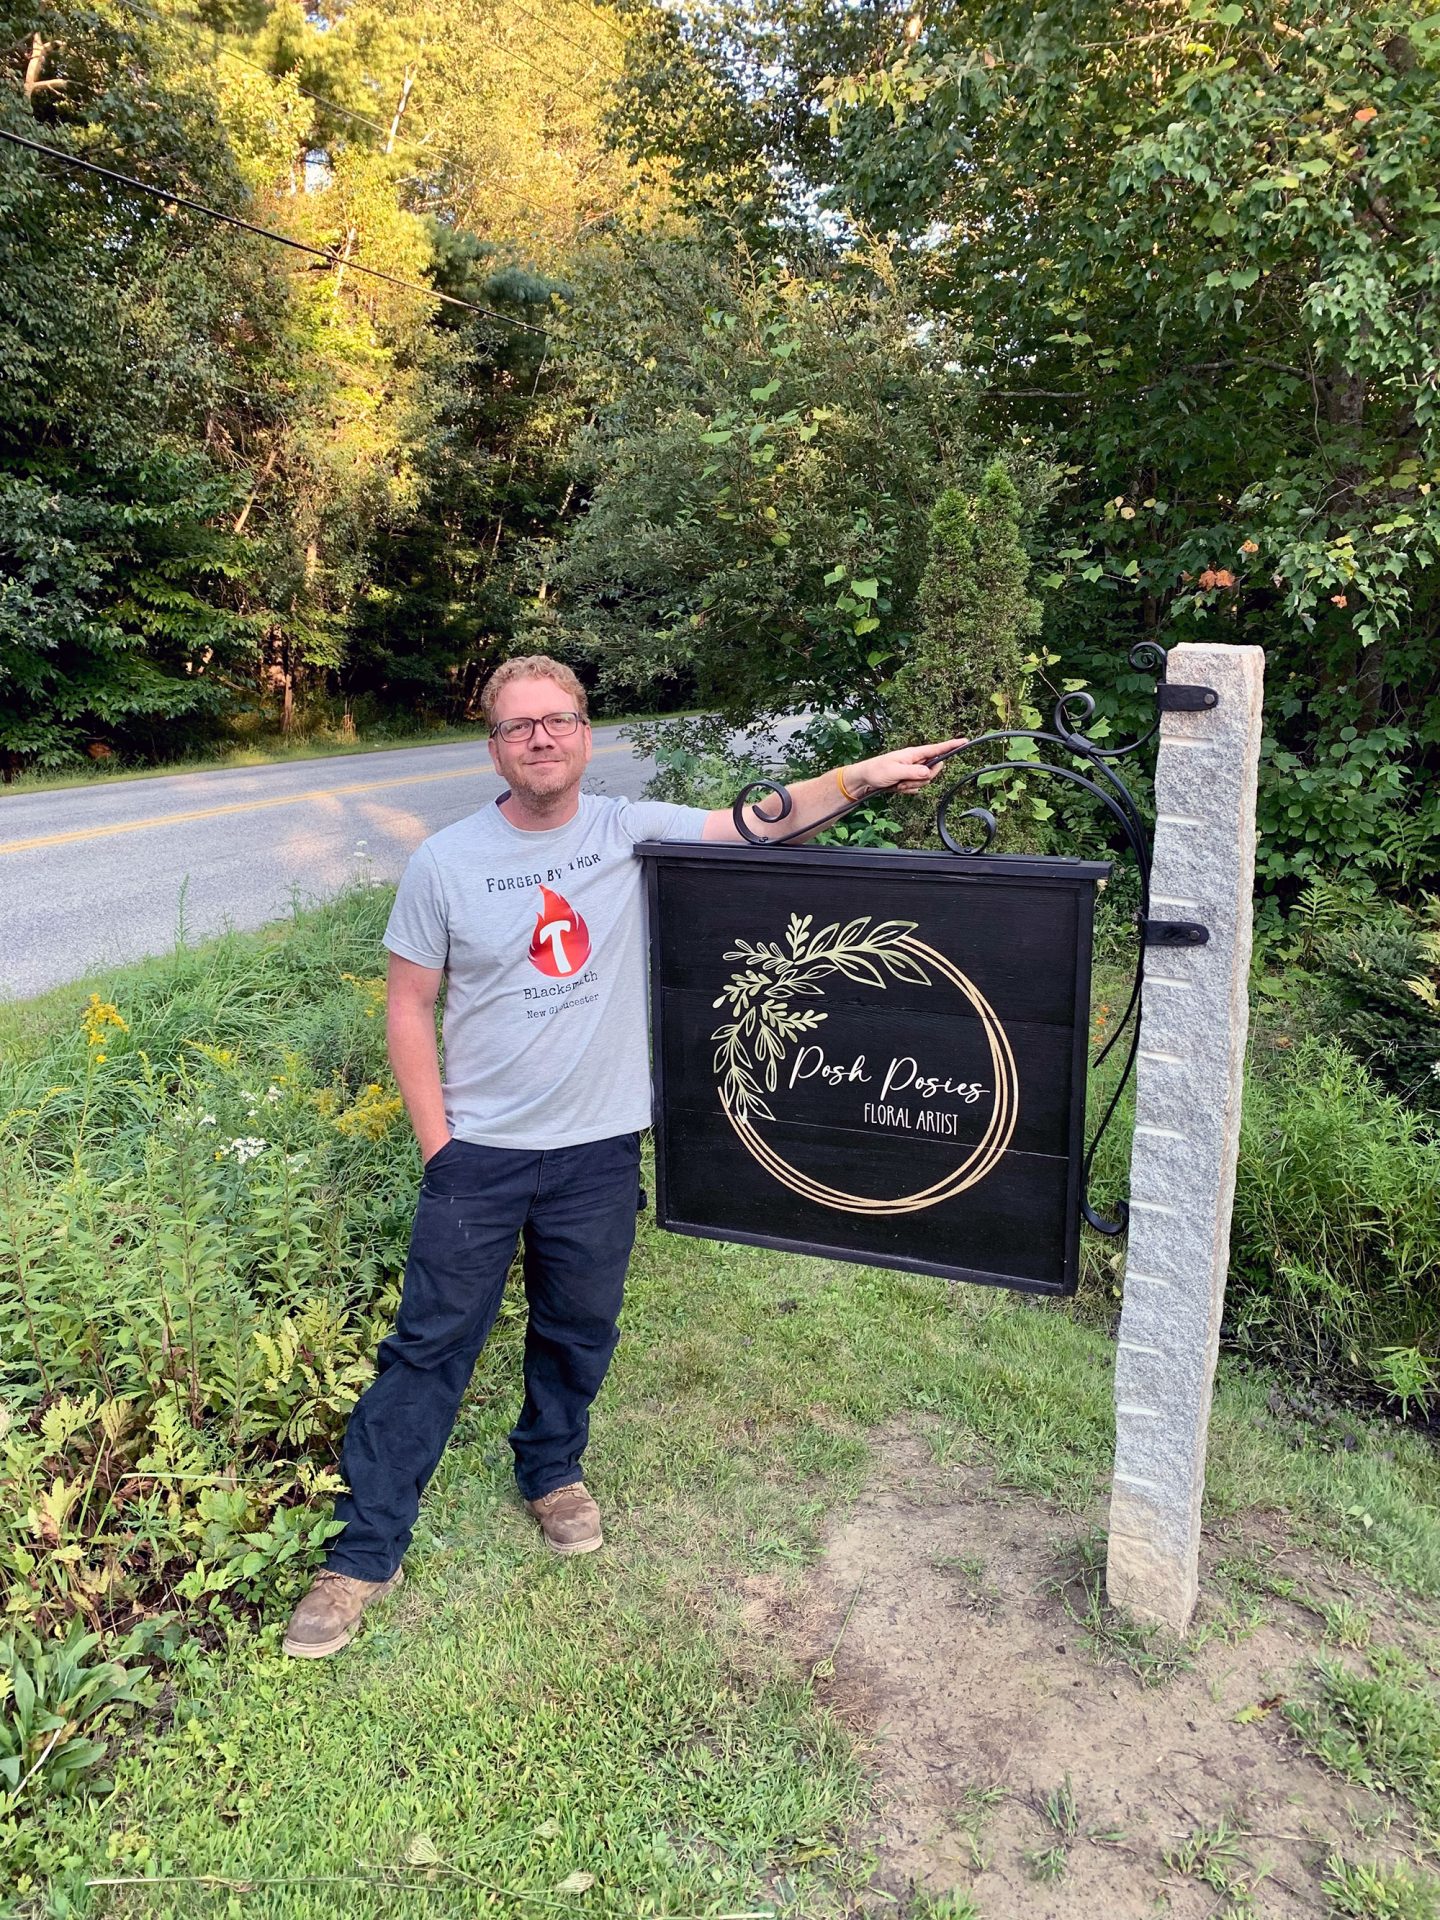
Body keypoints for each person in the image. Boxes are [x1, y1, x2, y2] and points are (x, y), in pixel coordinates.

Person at [283, 656, 962, 1658]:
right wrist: (440, 1147)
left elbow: (754, 824)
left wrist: (858, 776)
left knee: (579, 1326)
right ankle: (362, 1553)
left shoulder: (626, 831)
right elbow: (408, 1006)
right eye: (519, 726)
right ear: (494, 749)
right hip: (481, 1154)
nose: (541, 738)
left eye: (558, 720)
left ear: (586, 734)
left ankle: (552, 1469)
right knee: (428, 1347)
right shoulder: (446, 862)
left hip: (598, 1147)